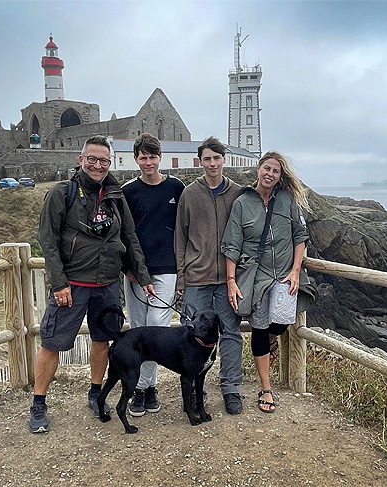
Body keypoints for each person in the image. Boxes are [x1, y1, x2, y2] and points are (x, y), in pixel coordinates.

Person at [29, 135, 155, 433]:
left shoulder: (116, 196)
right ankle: (38, 403)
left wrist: (143, 275)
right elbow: (47, 240)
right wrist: (58, 283)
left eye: (104, 161)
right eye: (93, 159)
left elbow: (129, 238)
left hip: (107, 284)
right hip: (71, 285)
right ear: (81, 159)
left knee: (102, 341)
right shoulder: (62, 193)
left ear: (110, 163)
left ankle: (96, 393)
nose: (98, 165)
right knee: (52, 343)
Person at [221, 150, 309, 413]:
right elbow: (231, 245)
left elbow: (300, 235)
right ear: (258, 169)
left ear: (280, 176)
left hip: (283, 274)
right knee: (259, 329)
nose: (270, 174)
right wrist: (230, 280)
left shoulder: (288, 200)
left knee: (282, 321)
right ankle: (266, 388)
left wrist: (295, 270)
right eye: (267, 168)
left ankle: (269, 344)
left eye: (276, 171)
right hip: (255, 277)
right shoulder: (242, 203)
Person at [174, 136, 244, 415]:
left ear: (224, 159)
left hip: (229, 278)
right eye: (207, 158)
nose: (212, 163)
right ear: (200, 161)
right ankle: (196, 392)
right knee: (193, 336)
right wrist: (181, 277)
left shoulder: (238, 193)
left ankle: (231, 389)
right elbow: (180, 237)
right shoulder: (189, 194)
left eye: (217, 158)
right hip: (196, 277)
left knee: (231, 333)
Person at [121, 133, 185, 417]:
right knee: (138, 329)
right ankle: (143, 389)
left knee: (156, 327)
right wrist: (129, 269)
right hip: (135, 272)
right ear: (136, 159)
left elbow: (185, 230)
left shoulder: (176, 187)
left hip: (167, 269)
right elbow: (121, 235)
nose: (148, 162)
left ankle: (145, 388)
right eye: (143, 157)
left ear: (160, 157)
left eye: (152, 156)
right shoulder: (128, 191)